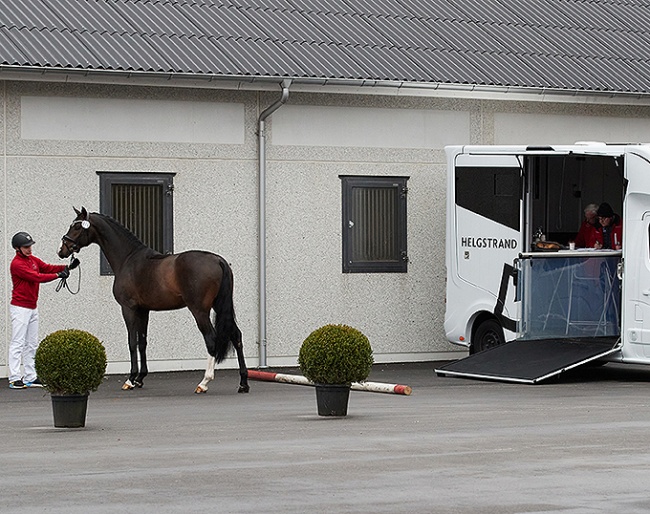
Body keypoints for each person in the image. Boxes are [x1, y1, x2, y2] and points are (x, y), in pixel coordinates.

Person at [8, 231, 78, 389]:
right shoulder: (17, 264)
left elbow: (46, 267)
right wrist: (58, 275)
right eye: (26, 247)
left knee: (31, 344)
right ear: (17, 248)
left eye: (30, 246)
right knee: (18, 343)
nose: (29, 249)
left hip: (32, 307)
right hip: (20, 308)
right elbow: (36, 277)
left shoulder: (32, 260)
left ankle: (30, 376)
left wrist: (67, 267)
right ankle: (14, 377)